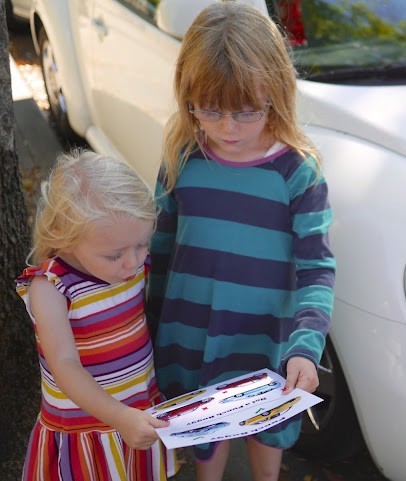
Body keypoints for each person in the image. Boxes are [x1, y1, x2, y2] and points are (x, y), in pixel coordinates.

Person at [146, 2, 336, 481]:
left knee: (266, 442)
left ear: (276, 93)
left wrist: (305, 347)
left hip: (268, 342)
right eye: (209, 109)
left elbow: (317, 270)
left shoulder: (297, 172)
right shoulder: (181, 159)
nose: (227, 127)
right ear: (187, 95)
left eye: (245, 111)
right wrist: (146, 328)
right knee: (205, 444)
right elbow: (159, 254)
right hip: (190, 337)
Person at [15, 149, 177, 481]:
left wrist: (129, 418)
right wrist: (119, 417)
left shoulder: (127, 266)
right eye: (115, 254)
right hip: (85, 430)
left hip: (136, 413)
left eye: (142, 245)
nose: (133, 263)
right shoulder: (51, 288)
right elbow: (65, 365)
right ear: (67, 237)